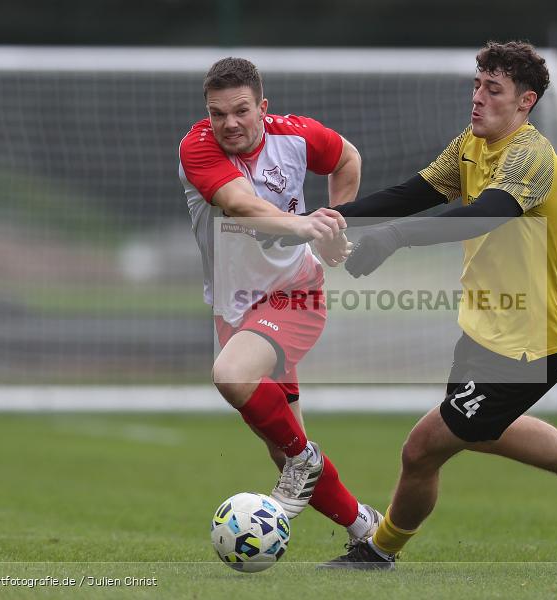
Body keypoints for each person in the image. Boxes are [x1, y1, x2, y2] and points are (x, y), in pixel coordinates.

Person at [311, 41, 557, 569]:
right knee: (484, 432)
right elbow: (414, 191)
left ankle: (379, 551)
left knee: (422, 449)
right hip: (484, 334)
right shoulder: (471, 143)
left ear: (525, 102)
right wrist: (336, 220)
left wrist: (393, 240)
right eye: (477, 85)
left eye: (493, 90)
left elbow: (483, 213)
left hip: (527, 347)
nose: (478, 98)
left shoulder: (532, 157)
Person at [178, 57, 380, 542]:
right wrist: (305, 225)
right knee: (283, 444)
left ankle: (303, 458)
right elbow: (242, 205)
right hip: (236, 307)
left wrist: (334, 222)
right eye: (218, 113)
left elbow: (347, 157)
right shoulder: (197, 148)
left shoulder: (295, 134)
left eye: (241, 111)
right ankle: (364, 529)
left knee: (232, 377)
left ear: (262, 108)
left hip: (294, 293)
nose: (229, 123)